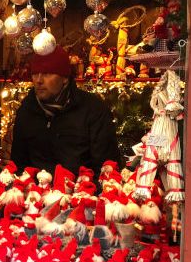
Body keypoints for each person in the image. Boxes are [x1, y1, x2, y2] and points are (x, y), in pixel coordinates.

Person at [11, 46, 122, 176]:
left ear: (65, 78)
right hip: (35, 191)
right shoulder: (27, 110)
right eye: (35, 73)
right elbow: (18, 164)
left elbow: (107, 166)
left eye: (47, 73)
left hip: (82, 191)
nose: (39, 80)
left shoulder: (93, 109)